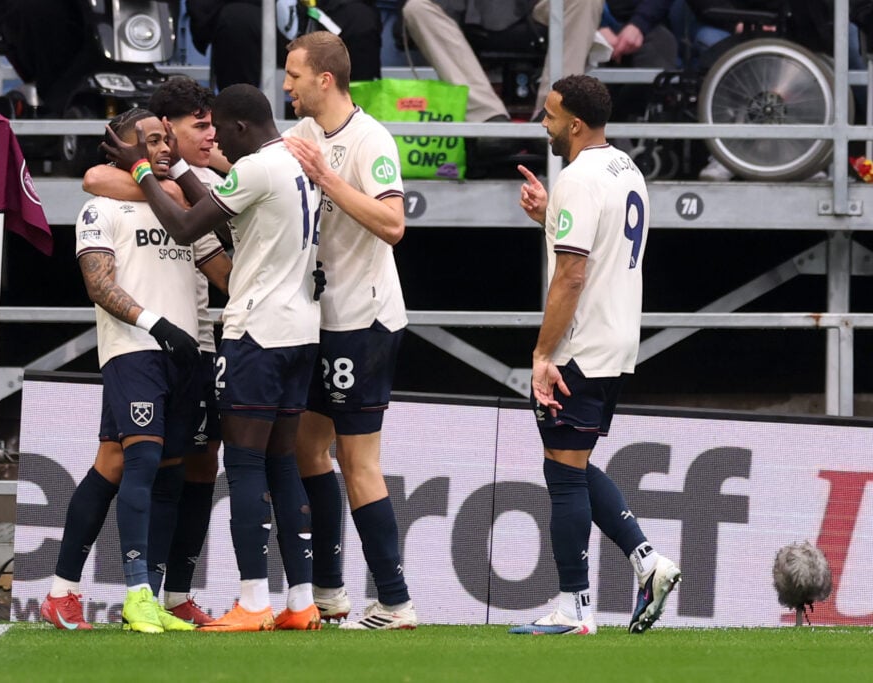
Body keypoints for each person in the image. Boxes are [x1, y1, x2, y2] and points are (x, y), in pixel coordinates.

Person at [103, 83, 324, 632]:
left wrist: (141, 172)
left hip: (258, 332)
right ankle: (301, 602)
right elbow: (228, 220)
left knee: (245, 464)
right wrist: (177, 169)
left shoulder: (254, 169)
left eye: (219, 130)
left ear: (241, 127)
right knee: (283, 462)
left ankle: (253, 602)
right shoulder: (297, 161)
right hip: (302, 328)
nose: (217, 144)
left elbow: (185, 225)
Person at [510, 74, 681, 635]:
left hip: (580, 345)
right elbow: (601, 241)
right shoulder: (625, 167)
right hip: (617, 340)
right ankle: (647, 562)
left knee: (561, 472)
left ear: (575, 124)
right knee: (573, 463)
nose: (543, 121)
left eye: (550, 114)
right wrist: (549, 217)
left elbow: (572, 274)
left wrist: (542, 352)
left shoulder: (580, 177)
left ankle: (575, 608)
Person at [59, 76, 233, 627]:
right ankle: (131, 594)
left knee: (170, 468)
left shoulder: (185, 194)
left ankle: (155, 596)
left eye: (164, 140)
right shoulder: (104, 205)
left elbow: (220, 270)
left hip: (193, 351)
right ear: (129, 148)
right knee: (137, 460)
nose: (162, 148)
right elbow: (99, 283)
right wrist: (158, 325)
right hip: (137, 347)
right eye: (151, 140)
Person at [280, 30, 417, 630]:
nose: (286, 85)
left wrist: (329, 181)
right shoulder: (301, 135)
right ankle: (330, 592)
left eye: (294, 75)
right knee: (309, 447)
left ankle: (394, 600)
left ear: (325, 79)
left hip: (364, 320)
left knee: (359, 461)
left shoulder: (370, 139)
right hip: (320, 318)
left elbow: (393, 223)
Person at [401, 0, 606, 124]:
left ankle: (555, 110)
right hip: (469, 9)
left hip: (536, 10)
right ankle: (486, 116)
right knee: (417, 8)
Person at [188, 0, 382, 90]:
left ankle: (351, 124)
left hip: (321, 10)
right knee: (236, 21)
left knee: (360, 20)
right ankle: (240, 120)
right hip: (257, 13)